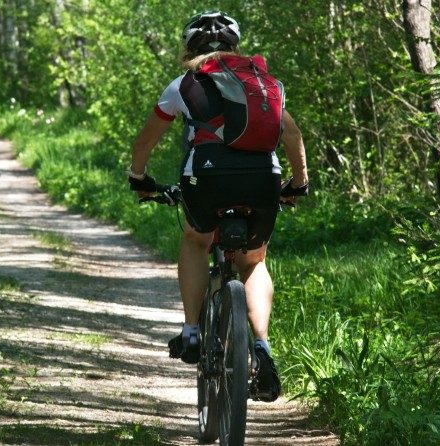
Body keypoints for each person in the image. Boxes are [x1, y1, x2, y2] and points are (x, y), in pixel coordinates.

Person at [127, 11, 309, 402]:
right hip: (263, 179)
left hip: (206, 180)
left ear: (188, 48)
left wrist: (139, 179)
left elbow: (144, 143)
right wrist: (298, 184)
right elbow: (291, 133)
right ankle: (262, 346)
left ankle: (192, 331)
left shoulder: (183, 85)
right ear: (234, 47)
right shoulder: (264, 83)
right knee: (254, 262)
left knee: (196, 240)